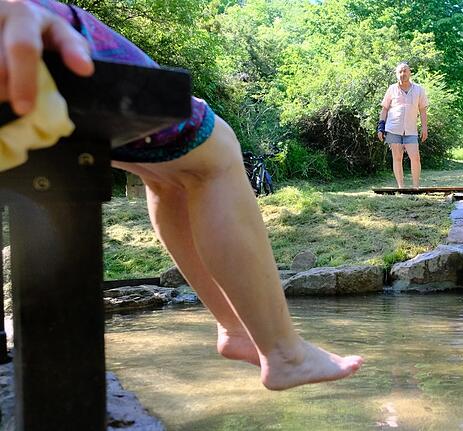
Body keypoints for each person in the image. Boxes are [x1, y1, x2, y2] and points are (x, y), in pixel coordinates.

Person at [0, 0, 363, 390]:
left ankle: (238, 330)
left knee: (166, 171)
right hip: (26, 30)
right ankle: (284, 353)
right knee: (213, 146)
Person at [377, 62, 429, 189]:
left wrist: (424, 128)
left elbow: (422, 110)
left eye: (405, 71)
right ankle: (401, 187)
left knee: (415, 157)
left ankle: (416, 187)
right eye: (400, 71)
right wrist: (380, 128)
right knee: (397, 157)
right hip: (393, 128)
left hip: (411, 130)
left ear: (410, 73)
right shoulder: (391, 89)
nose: (403, 74)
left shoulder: (418, 89)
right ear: (396, 74)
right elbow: (384, 109)